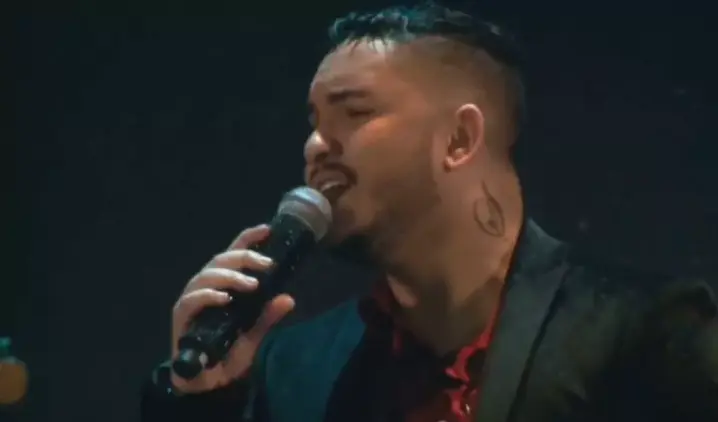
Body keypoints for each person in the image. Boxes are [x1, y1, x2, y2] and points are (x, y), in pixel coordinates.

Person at [140, 3, 718, 422]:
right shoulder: (297, 369)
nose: (315, 145)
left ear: (460, 139)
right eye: (314, 122)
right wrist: (199, 399)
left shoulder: (649, 334)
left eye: (354, 112)